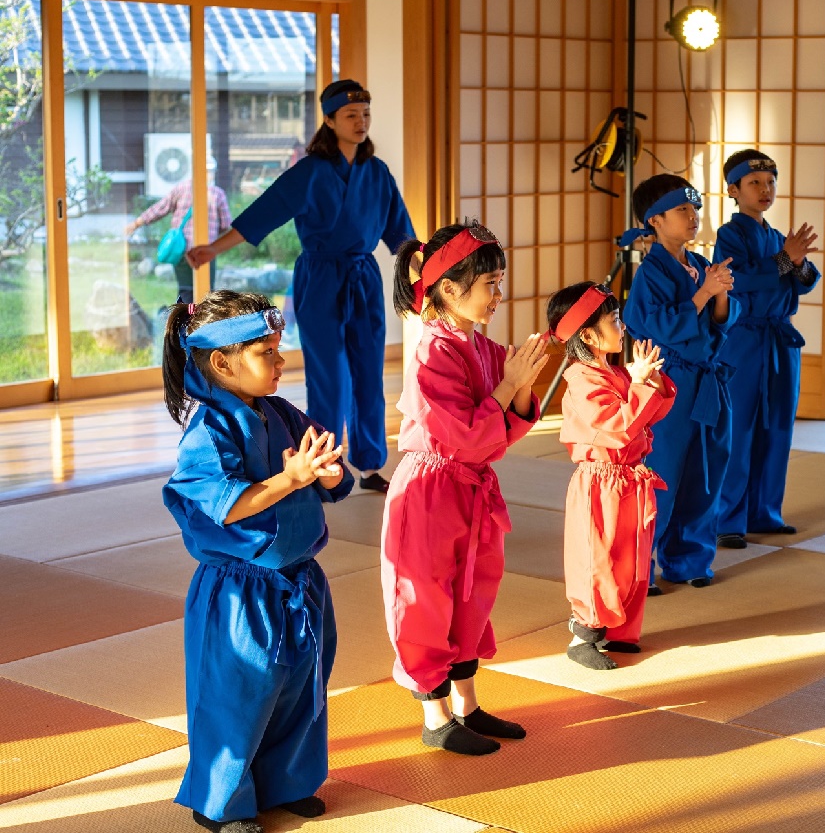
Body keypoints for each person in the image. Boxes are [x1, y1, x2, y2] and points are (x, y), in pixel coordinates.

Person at [161, 290, 354, 833]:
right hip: (239, 592)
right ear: (222, 362)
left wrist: (327, 473)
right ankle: (220, 803)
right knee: (238, 696)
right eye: (266, 352)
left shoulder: (282, 412)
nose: (280, 360)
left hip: (299, 580)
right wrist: (289, 479)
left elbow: (323, 465)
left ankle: (285, 782)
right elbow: (224, 503)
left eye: (277, 348)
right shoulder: (208, 431)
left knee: (299, 689)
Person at [187, 79, 415, 493]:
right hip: (321, 278)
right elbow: (263, 213)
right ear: (329, 120)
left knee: (368, 374)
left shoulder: (377, 173)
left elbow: (401, 234)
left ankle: (369, 465)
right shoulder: (309, 172)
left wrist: (427, 270)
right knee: (329, 378)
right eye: (350, 115)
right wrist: (211, 250)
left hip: (363, 278)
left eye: (365, 114)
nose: (361, 122)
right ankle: (326, 465)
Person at [383, 221, 549, 754]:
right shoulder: (433, 350)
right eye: (490, 285)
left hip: (468, 486)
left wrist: (522, 382)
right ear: (449, 290)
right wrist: (509, 386)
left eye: (499, 283)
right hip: (430, 489)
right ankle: (435, 718)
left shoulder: (478, 344)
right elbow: (464, 434)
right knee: (426, 599)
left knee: (470, 595)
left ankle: (468, 707)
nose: (498, 296)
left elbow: (506, 417)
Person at [548, 282, 677, 669]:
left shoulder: (616, 373)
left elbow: (648, 414)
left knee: (632, 559)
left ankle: (620, 630)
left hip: (627, 480)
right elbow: (617, 426)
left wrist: (648, 380)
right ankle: (583, 634)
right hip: (598, 484)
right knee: (597, 559)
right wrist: (637, 385)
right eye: (614, 319)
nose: (622, 326)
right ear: (587, 335)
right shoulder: (582, 381)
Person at [620, 174, 740, 591]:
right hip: (667, 383)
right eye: (682, 210)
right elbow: (652, 326)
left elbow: (723, 322)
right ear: (654, 220)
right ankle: (640, 564)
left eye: (695, 209)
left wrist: (721, 292)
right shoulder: (649, 274)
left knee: (704, 473)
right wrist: (705, 294)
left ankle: (689, 560)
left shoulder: (702, 266)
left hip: (707, 381)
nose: (693, 217)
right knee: (662, 473)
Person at [712, 150, 821, 549]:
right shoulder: (730, 234)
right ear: (733, 191)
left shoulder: (777, 236)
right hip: (743, 339)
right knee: (738, 428)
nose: (765, 189)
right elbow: (735, 279)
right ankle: (728, 519)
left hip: (780, 340)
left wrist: (796, 262)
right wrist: (783, 261)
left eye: (770, 182)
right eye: (754, 183)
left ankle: (765, 512)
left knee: (777, 426)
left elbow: (805, 281)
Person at [126, 156, 232, 304]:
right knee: (206, 293)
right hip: (206, 251)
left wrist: (137, 223)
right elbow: (226, 224)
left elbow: (160, 208)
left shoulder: (182, 188)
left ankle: (183, 323)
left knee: (185, 290)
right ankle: (202, 324)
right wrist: (213, 234)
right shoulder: (217, 194)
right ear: (212, 172)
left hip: (181, 249)